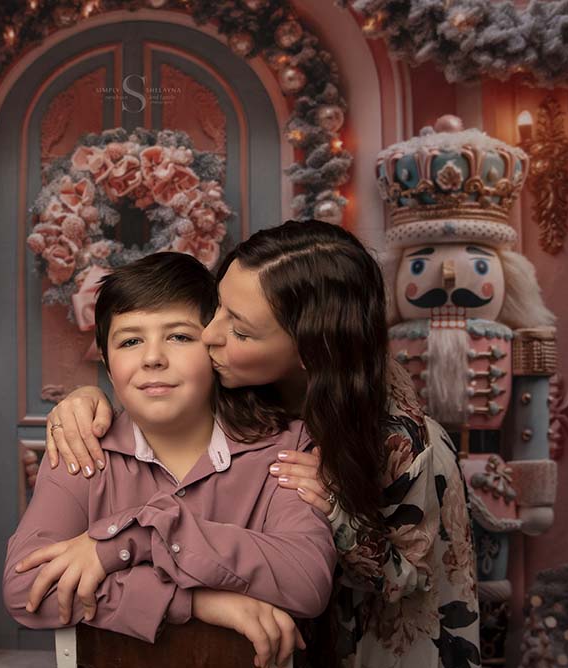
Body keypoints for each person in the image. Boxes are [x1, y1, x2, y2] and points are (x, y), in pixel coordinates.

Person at [43, 221, 481, 667]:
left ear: (309, 350)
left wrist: (337, 514)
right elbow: (152, 373)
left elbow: (405, 580)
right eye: (220, 307)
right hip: (270, 631)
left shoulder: (399, 440)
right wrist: (87, 398)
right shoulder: (236, 374)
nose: (209, 334)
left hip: (380, 635)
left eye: (240, 331)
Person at [3, 252, 337, 668]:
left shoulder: (285, 447)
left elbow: (306, 580)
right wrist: (197, 602)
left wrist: (141, 537)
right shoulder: (80, 448)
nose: (153, 358)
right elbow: (26, 589)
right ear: (107, 362)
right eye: (130, 341)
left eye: (179, 337)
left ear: (215, 348)